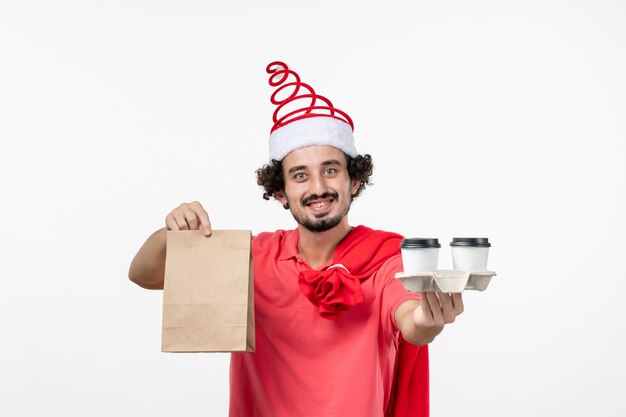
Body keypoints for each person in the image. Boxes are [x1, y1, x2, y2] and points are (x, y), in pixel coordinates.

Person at [129, 61, 464, 417]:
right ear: (280, 192)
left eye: (331, 170)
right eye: (300, 175)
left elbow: (411, 321)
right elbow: (143, 275)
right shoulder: (253, 257)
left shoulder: (386, 258)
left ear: (355, 181)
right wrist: (171, 234)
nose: (318, 188)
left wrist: (429, 320)